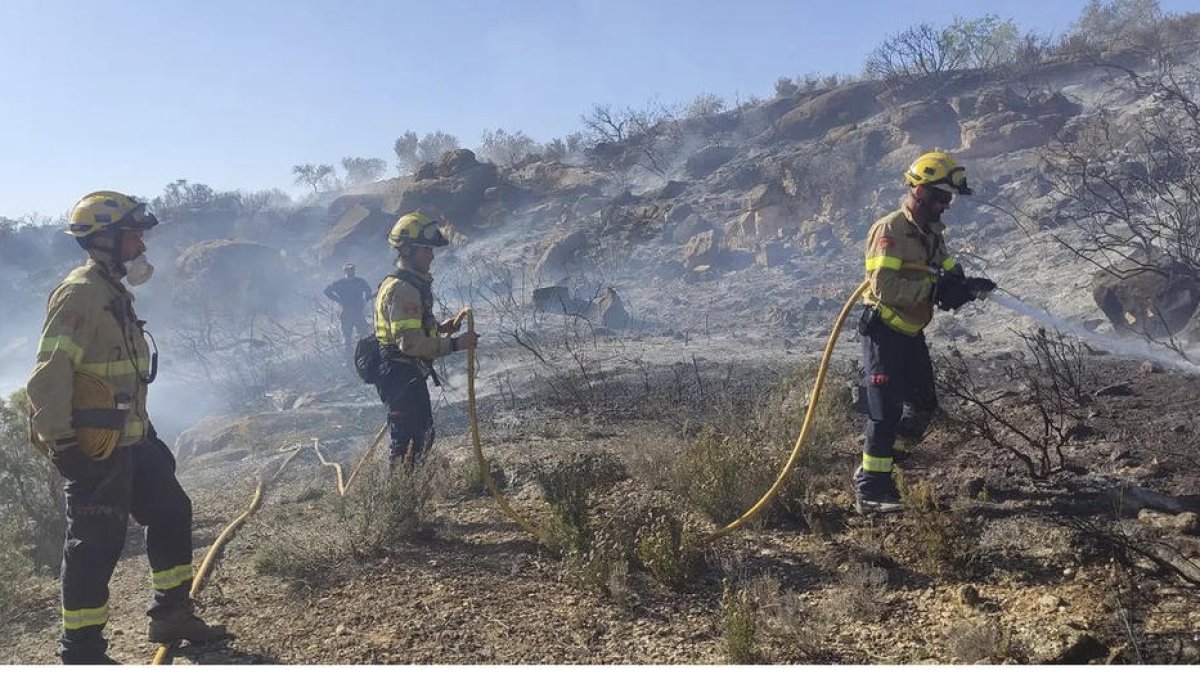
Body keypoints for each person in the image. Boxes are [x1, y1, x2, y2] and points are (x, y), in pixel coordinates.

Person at [26, 191, 226, 664]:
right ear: (104, 239)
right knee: (95, 547)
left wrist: (146, 432)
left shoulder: (113, 292)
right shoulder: (80, 294)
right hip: (97, 451)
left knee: (173, 511)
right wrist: (63, 444)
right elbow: (50, 374)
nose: (142, 245)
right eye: (134, 235)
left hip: (133, 440)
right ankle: (82, 652)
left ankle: (172, 612)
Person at [855, 152, 995, 515]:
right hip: (883, 332)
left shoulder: (932, 234)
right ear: (919, 191)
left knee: (922, 407)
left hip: (911, 333)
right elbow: (884, 287)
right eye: (940, 197)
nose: (945, 206)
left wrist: (965, 285)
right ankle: (871, 489)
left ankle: (881, 459)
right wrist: (933, 292)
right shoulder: (889, 231)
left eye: (948, 199)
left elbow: (946, 270)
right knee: (884, 412)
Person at [373, 212, 478, 468]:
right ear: (407, 251)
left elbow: (412, 330)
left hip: (404, 372)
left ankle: (407, 495)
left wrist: (441, 328)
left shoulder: (409, 284)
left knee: (422, 436)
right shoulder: (404, 289)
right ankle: (399, 501)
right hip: (399, 373)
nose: (431, 256)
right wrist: (455, 344)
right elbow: (409, 344)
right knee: (408, 443)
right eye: (426, 250)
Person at [324, 262, 374, 362]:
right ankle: (348, 359)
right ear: (345, 271)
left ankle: (366, 355)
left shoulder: (359, 281)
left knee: (364, 334)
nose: (351, 271)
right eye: (349, 270)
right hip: (347, 313)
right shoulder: (340, 283)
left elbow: (368, 290)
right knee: (347, 337)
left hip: (357, 312)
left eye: (352, 270)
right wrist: (338, 300)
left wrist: (366, 298)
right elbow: (327, 291)